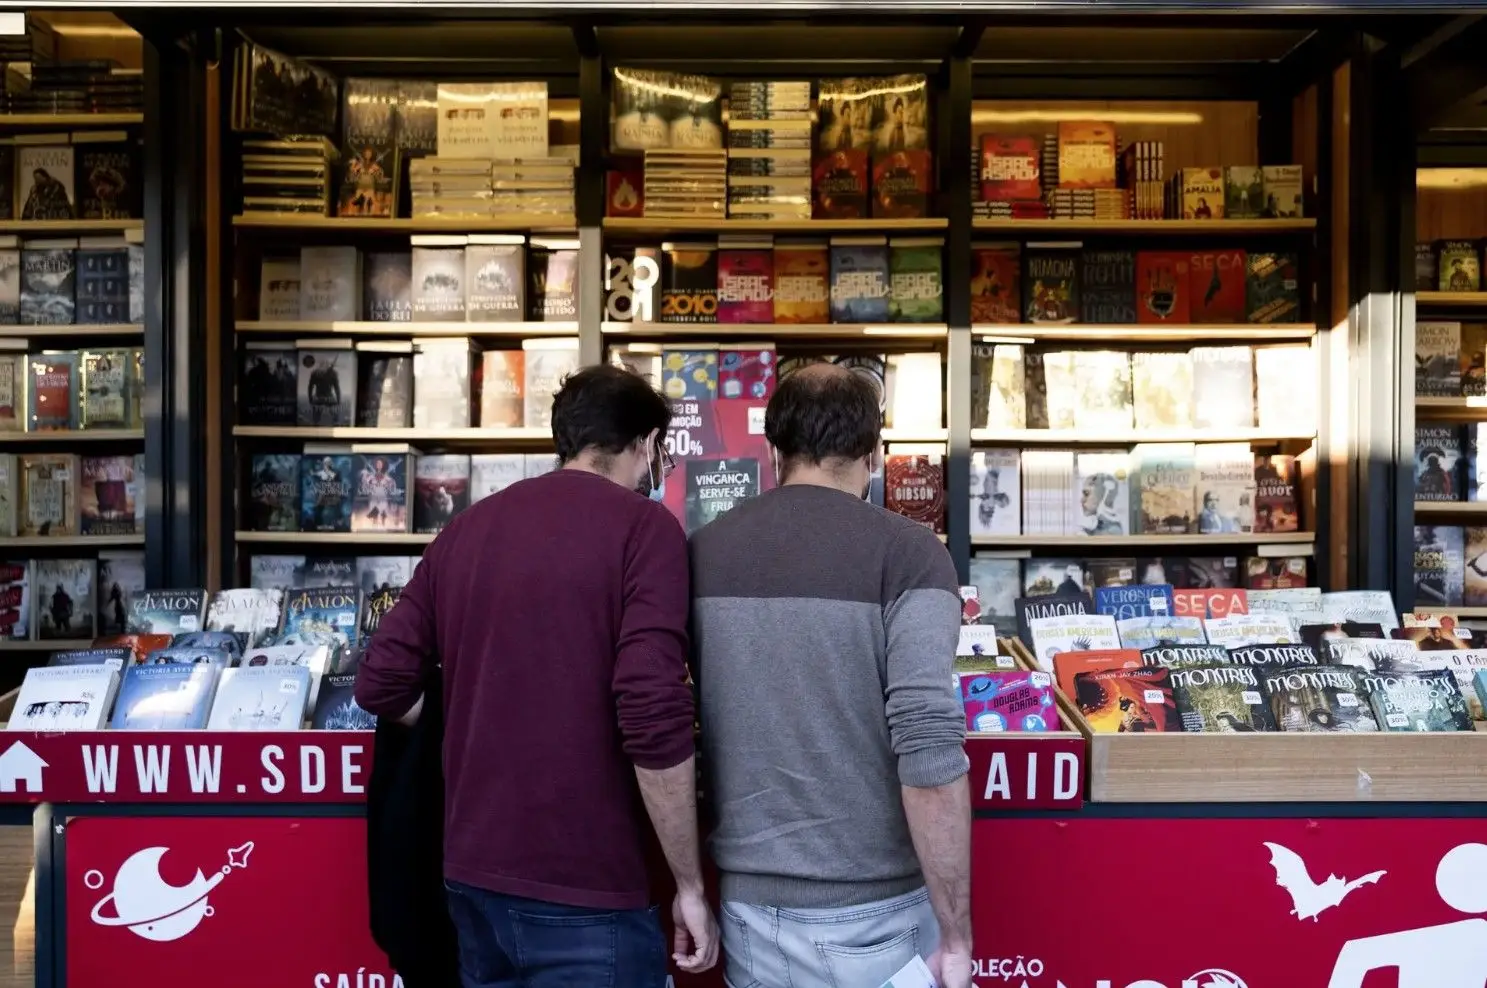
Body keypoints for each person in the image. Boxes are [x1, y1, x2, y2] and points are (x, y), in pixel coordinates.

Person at [356, 364, 718, 987]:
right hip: (586, 885)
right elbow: (652, 710)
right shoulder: (645, 530)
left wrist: (465, 709)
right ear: (648, 445)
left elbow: (381, 681)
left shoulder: (466, 528)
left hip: (470, 875)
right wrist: (689, 882)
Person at [688, 364, 972, 988]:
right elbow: (927, 744)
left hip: (748, 908)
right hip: (880, 911)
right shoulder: (912, 553)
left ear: (772, 451)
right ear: (874, 450)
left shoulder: (702, 552)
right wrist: (956, 935)